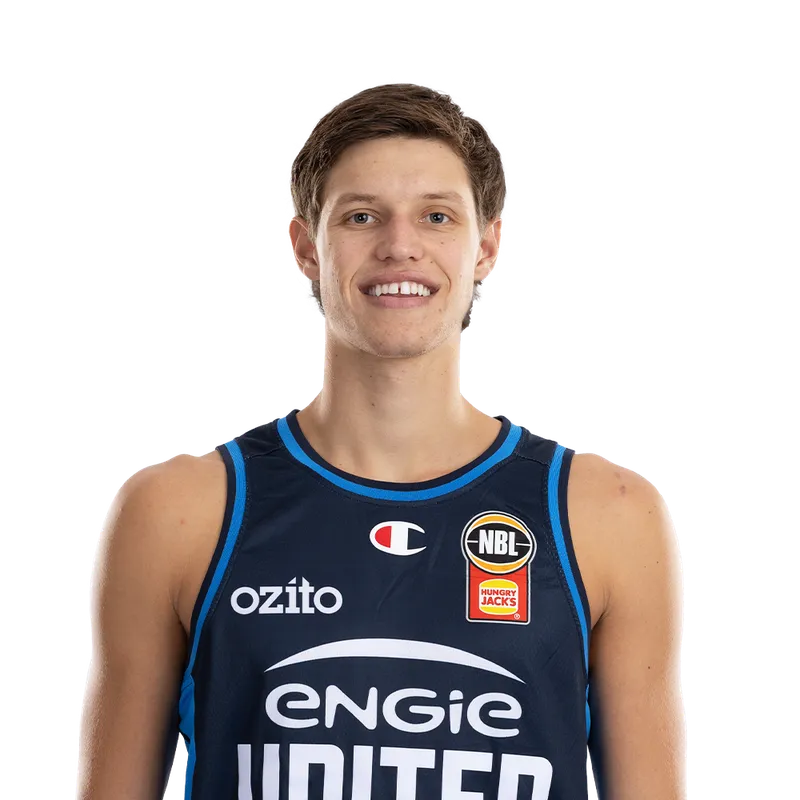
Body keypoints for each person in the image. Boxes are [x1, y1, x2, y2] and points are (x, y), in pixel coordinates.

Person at [76, 81, 686, 799]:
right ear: (306, 246)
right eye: (361, 216)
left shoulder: (606, 514)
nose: (400, 247)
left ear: (486, 244)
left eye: (437, 216)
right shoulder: (180, 512)